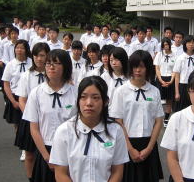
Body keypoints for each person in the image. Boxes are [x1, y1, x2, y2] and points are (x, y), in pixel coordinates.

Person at [49, 76, 130, 182]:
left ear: (105, 101)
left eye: (95, 97)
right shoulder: (64, 131)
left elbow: (117, 171)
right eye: (83, 97)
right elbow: (60, 173)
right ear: (77, 100)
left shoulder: (116, 131)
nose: (89, 103)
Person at [22, 49, 78, 182]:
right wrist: (47, 157)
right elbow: (34, 128)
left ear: (66, 66)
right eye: (48, 63)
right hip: (46, 149)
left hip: (71, 149)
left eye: (56, 63)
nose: (51, 67)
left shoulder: (76, 93)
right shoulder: (37, 93)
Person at [110, 50, 164, 182]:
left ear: (148, 68)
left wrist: (150, 148)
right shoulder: (121, 91)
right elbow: (118, 121)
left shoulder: (154, 91)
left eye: (142, 66)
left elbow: (158, 121)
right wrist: (130, 149)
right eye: (134, 66)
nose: (138, 70)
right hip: (127, 143)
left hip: (148, 144)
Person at [15, 42, 50, 179]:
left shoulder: (53, 74)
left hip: (48, 118)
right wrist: (31, 116)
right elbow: (22, 100)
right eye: (36, 55)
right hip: (30, 119)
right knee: (30, 154)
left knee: (48, 154)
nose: (39, 58)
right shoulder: (26, 75)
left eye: (42, 55)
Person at [2, 40, 32, 126]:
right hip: (16, 96)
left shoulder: (32, 62)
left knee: (31, 123)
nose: (19, 50)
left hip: (29, 96)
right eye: (17, 48)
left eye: (22, 48)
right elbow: (6, 85)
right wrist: (13, 101)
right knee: (18, 124)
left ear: (26, 49)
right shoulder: (10, 64)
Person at [173, 35, 194, 112]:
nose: (191, 44)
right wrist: (177, 92)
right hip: (182, 86)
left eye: (193, 43)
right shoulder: (180, 58)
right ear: (185, 44)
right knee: (181, 110)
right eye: (189, 42)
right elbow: (177, 76)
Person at [154, 38, 176, 127]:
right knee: (158, 99)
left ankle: (166, 118)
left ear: (170, 45)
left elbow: (175, 70)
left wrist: (171, 81)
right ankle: (157, 118)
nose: (165, 46)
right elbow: (157, 68)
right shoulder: (159, 54)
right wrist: (161, 80)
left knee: (169, 100)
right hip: (160, 78)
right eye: (164, 45)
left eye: (167, 44)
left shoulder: (174, 55)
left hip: (170, 78)